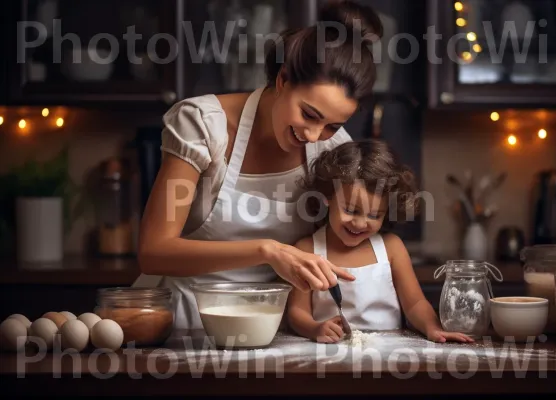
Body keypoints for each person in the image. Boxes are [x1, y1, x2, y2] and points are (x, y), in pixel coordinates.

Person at [134, 1, 386, 329]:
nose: (314, 135)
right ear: (283, 80)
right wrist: (266, 251)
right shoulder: (203, 125)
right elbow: (154, 252)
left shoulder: (333, 147)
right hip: (186, 325)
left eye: (332, 125)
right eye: (309, 114)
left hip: (275, 330)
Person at [286, 140, 475, 344]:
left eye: (375, 215)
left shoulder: (392, 248)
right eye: (350, 210)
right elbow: (297, 311)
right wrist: (315, 328)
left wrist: (432, 327)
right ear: (327, 196)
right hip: (329, 355)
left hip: (389, 355)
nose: (360, 223)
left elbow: (415, 303)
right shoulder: (306, 249)